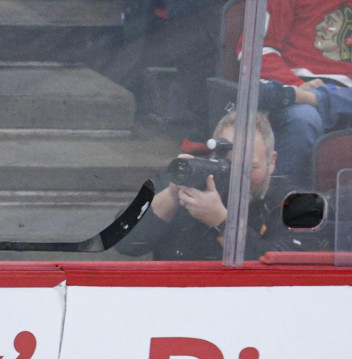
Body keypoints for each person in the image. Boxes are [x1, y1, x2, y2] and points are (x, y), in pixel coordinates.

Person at [116, 111, 327, 260]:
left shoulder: (299, 202)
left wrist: (222, 223)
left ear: (271, 161)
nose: (238, 177)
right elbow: (124, 243)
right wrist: (171, 194)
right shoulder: (190, 177)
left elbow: (289, 277)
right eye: (229, 165)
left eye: (250, 167)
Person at [253, 0, 352, 187]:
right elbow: (255, 50)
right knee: (303, 118)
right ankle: (286, 209)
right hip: (295, 87)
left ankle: (318, 98)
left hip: (344, 94)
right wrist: (294, 85)